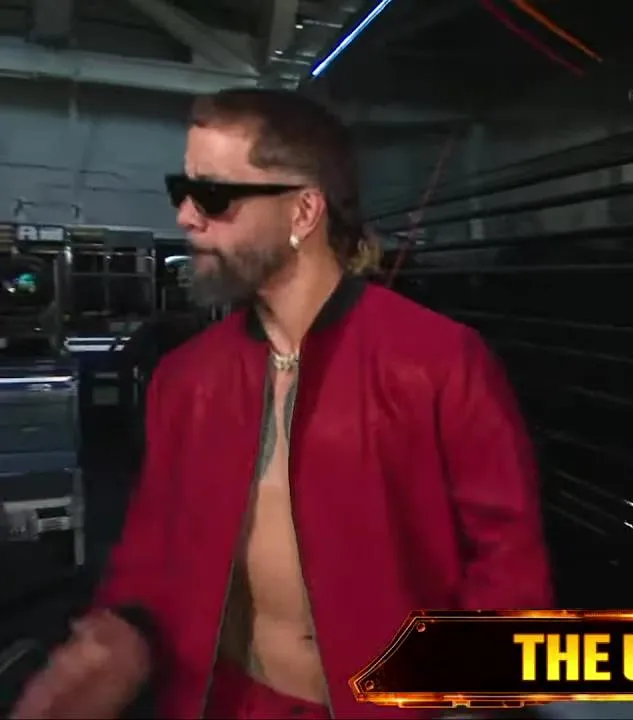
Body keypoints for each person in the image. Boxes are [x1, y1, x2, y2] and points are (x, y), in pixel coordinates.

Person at [12, 88, 553, 719]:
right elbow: (151, 553)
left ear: (303, 211)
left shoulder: (440, 362)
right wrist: (117, 639)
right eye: (181, 190)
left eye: (213, 195)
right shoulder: (185, 380)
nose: (186, 217)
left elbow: (510, 573)